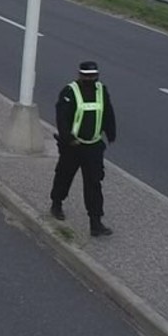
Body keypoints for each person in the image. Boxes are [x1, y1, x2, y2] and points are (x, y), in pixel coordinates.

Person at [50, 61, 117, 237]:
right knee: (64, 175)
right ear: (80, 75)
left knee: (94, 184)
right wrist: (68, 139)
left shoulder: (101, 91)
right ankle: (56, 203)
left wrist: (111, 133)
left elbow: (108, 112)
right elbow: (62, 117)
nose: (90, 78)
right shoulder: (70, 91)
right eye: (87, 75)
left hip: (93, 146)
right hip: (72, 146)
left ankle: (95, 222)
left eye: (93, 76)